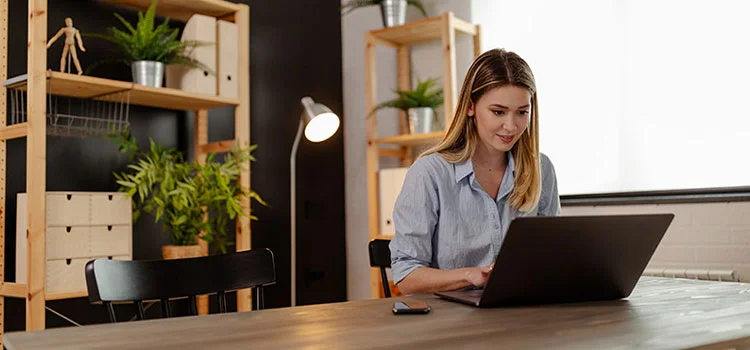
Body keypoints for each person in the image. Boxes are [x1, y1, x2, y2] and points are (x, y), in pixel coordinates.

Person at [389, 48, 561, 294]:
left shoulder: (541, 169)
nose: (511, 126)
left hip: (522, 316)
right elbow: (406, 276)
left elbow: (552, 257)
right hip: (452, 323)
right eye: (498, 112)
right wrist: (469, 275)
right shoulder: (430, 174)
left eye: (522, 112)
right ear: (471, 107)